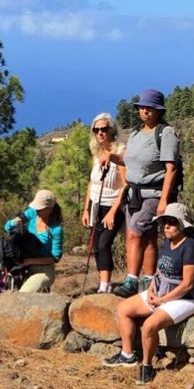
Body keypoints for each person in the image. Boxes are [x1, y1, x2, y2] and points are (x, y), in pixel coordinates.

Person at [104, 203, 194, 386]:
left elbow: (187, 284)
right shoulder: (168, 241)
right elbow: (160, 270)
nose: (166, 226)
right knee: (123, 308)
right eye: (164, 222)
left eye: (171, 222)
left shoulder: (191, 247)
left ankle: (147, 365)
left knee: (149, 326)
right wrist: (151, 289)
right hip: (159, 291)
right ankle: (127, 355)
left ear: (182, 225)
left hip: (185, 298)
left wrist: (162, 300)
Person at [112, 89, 180, 298]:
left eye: (150, 108)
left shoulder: (165, 133)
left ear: (158, 111)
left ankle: (131, 280)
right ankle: (149, 280)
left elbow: (172, 168)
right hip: (134, 195)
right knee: (148, 237)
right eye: (142, 108)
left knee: (134, 232)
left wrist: (164, 200)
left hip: (154, 194)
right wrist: (110, 157)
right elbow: (128, 160)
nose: (145, 112)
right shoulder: (135, 134)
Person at [81, 112, 126, 293]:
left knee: (103, 244)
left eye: (104, 129)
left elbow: (125, 184)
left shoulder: (120, 152)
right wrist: (86, 209)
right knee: (96, 247)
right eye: (96, 130)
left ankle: (105, 286)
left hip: (113, 206)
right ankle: (103, 285)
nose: (100, 133)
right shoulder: (96, 154)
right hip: (95, 206)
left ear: (111, 130)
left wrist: (113, 211)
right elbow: (91, 183)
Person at [4, 189, 64, 292]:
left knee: (24, 293)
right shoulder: (32, 213)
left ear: (49, 209)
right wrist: (14, 222)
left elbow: (55, 257)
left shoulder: (56, 229)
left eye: (40, 208)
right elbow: (7, 227)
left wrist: (29, 261)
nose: (37, 210)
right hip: (24, 268)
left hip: (44, 270)